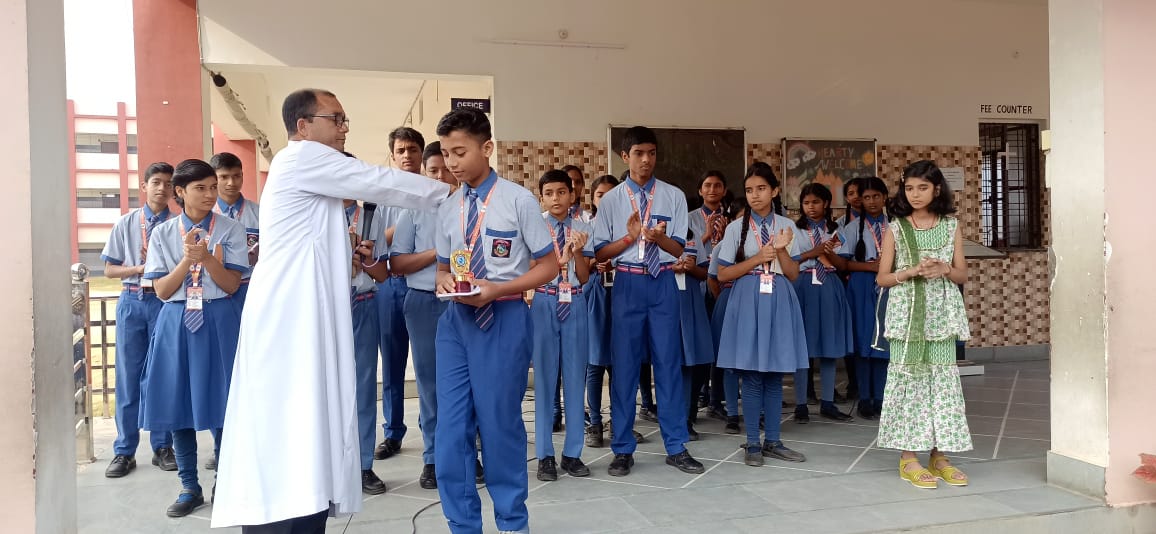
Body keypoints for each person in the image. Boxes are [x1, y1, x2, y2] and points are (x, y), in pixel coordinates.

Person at [211, 89, 448, 532]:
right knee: (287, 417)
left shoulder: (314, 181)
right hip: (289, 319)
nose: (344, 128)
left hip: (308, 317)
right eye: (335, 119)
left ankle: (308, 504)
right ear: (303, 126)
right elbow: (383, 181)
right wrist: (453, 192)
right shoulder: (301, 158)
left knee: (312, 418)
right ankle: (281, 512)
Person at [432, 107, 558, 534]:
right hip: (456, 323)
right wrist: (445, 280)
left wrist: (499, 289)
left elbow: (549, 266)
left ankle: (512, 523)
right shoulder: (448, 207)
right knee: (451, 431)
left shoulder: (518, 201)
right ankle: (462, 524)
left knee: (499, 424)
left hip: (503, 317)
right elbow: (442, 268)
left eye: (460, 152)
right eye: (446, 153)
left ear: (487, 148)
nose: (451, 162)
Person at [139, 159, 249, 516]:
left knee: (223, 402)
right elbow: (161, 290)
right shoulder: (163, 234)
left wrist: (209, 260)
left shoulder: (231, 229)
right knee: (178, 404)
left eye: (212, 187)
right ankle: (189, 486)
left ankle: (224, 482)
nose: (209, 194)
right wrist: (188, 260)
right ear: (180, 192)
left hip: (219, 318)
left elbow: (231, 285)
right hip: (177, 320)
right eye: (200, 188)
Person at [593, 126, 704, 477]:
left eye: (652, 153)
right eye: (639, 153)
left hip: (663, 282)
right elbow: (600, 252)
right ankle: (622, 447)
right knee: (625, 366)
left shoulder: (673, 195)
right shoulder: (611, 200)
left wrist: (658, 238)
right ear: (625, 156)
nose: (646, 160)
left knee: (668, 363)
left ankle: (676, 445)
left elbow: (680, 248)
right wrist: (630, 237)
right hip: (627, 283)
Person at [875, 160, 972, 489]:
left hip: (942, 316)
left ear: (937, 189)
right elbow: (883, 278)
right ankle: (908, 457)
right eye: (909, 188)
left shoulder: (951, 225)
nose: (915, 194)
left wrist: (945, 269)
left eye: (923, 187)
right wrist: (911, 271)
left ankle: (939, 455)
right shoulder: (896, 228)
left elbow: (962, 274)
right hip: (907, 317)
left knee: (942, 383)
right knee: (909, 383)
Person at [715, 162, 808, 467]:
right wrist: (757, 258)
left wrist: (780, 250)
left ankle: (774, 441)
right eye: (749, 190)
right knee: (752, 373)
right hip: (746, 299)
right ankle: (753, 442)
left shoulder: (787, 226)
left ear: (775, 191)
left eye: (761, 189)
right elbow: (723, 274)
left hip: (779, 298)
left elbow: (793, 273)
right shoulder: (735, 228)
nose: (755, 195)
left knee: (775, 373)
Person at [100, 162, 178, 478]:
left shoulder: (178, 226)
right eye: (156, 182)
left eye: (168, 183)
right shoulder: (126, 223)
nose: (162, 188)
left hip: (164, 302)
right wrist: (138, 269)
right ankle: (124, 450)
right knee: (128, 378)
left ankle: (163, 446)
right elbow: (109, 269)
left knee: (163, 374)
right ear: (144, 186)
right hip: (133, 301)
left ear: (175, 189)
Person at [531, 169, 594, 481]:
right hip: (544, 300)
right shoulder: (534, 226)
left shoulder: (583, 227)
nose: (556, 198)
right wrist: (557, 261)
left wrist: (578, 252)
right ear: (541, 198)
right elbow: (529, 267)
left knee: (574, 377)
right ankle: (545, 455)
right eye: (549, 193)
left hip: (575, 301)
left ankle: (572, 453)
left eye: (561, 192)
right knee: (544, 379)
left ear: (572, 194)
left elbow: (584, 276)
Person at [372, 126, 427, 461]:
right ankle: (392, 431)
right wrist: (405, 226)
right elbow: (376, 242)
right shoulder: (383, 196)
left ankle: (430, 427)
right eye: (401, 150)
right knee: (392, 362)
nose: (407, 156)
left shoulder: (432, 191)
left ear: (421, 153)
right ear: (393, 155)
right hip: (391, 284)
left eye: (412, 149)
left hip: (424, 284)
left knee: (427, 363)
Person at [790, 184, 854, 423]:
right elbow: (790, 261)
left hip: (829, 284)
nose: (811, 207)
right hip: (803, 285)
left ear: (826, 203)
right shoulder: (794, 230)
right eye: (806, 203)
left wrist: (828, 253)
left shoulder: (837, 230)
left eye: (816, 202)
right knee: (802, 345)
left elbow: (843, 264)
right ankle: (801, 404)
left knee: (829, 343)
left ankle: (828, 402)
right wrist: (813, 252)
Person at [830, 177, 891, 420]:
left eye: (876, 196)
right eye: (866, 197)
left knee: (885, 341)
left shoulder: (895, 226)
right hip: (861, 286)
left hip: (890, 286)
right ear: (860, 201)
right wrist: (870, 267)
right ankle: (864, 398)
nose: (872, 201)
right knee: (864, 343)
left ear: (885, 197)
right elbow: (843, 264)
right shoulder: (852, 228)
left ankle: (882, 398)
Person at [340, 193, 389, 495]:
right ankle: (328, 465)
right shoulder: (315, 212)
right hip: (326, 306)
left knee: (363, 385)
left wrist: (368, 260)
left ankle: (362, 464)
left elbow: (382, 274)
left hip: (362, 302)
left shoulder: (370, 216)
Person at [583, 174, 619, 448]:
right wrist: (596, 263)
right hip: (596, 294)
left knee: (620, 363)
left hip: (622, 294)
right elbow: (580, 267)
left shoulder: (628, 227)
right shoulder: (587, 228)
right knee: (595, 361)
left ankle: (619, 421)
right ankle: (594, 423)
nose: (606, 200)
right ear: (593, 199)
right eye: (600, 195)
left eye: (611, 194)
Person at [689, 171, 728, 411]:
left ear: (724, 190)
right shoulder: (689, 218)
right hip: (700, 285)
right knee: (702, 342)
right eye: (707, 185)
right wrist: (706, 235)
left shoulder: (732, 218)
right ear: (700, 190)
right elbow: (686, 249)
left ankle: (717, 397)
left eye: (717, 185)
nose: (712, 190)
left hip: (723, 285)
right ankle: (701, 392)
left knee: (721, 341)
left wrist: (723, 238)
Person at [675, 230, 714, 441]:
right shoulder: (654, 234)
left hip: (691, 301)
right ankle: (675, 419)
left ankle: (689, 417)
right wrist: (671, 267)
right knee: (676, 363)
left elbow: (704, 273)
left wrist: (692, 269)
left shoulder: (693, 236)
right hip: (667, 300)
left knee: (698, 360)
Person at [210, 151, 261, 308]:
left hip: (252, 287)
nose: (231, 182)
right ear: (213, 179)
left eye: (236, 176)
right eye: (224, 177)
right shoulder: (206, 214)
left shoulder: (260, 212)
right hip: (215, 289)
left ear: (242, 176)